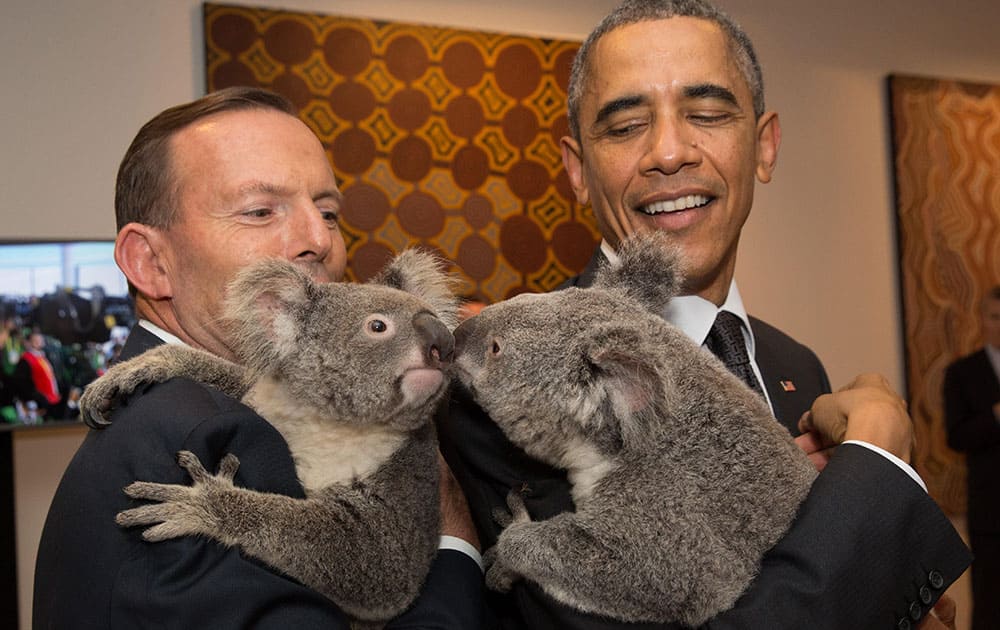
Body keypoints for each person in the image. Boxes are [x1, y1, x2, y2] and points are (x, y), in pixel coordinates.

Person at [436, 1, 971, 628]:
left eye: (709, 113)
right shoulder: (503, 385)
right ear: (578, 171)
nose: (669, 152)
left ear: (764, 147)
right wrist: (878, 466)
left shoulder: (794, 364)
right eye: (625, 125)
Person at [33, 87, 483, 629]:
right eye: (259, 210)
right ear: (150, 262)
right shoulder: (210, 437)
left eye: (329, 212)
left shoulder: (179, 402)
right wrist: (456, 542)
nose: (318, 239)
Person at [943, 285, 1000, 630]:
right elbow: (956, 435)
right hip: (991, 512)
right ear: (982, 320)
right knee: (991, 605)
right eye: (995, 317)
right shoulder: (963, 373)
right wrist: (994, 416)